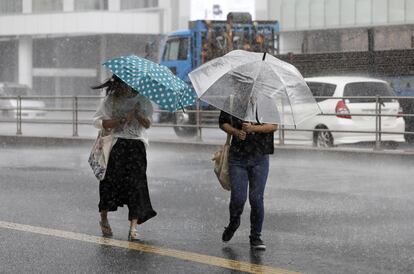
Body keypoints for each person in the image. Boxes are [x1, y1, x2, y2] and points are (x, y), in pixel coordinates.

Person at [91, 75, 157, 241]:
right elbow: (101, 123)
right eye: (120, 85)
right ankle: (104, 218)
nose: (123, 88)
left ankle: (133, 227)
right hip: (116, 145)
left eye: (125, 85)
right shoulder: (111, 100)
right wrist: (120, 119)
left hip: (137, 146)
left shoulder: (142, 99)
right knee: (109, 183)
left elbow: (148, 124)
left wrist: (136, 114)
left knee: (136, 185)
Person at [219, 107, 277, 250]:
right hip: (237, 158)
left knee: (256, 198)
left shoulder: (267, 100)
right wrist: (236, 132)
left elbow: (274, 126)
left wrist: (253, 128)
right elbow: (222, 122)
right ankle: (234, 222)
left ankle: (255, 236)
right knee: (238, 197)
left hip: (260, 157)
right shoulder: (234, 99)